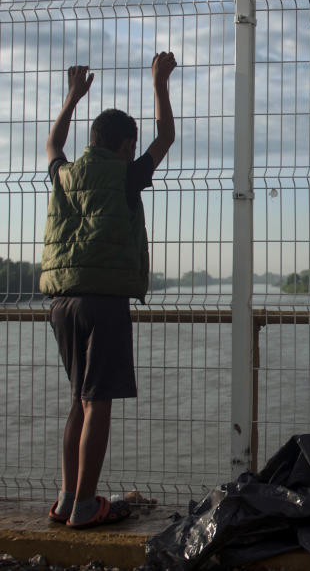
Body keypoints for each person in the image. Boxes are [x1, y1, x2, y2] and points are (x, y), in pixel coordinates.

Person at [40, 52, 177, 528]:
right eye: (131, 146)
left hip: (61, 302)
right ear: (124, 147)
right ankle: (84, 504)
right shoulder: (125, 176)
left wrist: (72, 96)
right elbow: (166, 138)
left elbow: (54, 143)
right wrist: (159, 83)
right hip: (104, 300)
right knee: (98, 402)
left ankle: (65, 498)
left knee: (79, 398)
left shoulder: (66, 175)